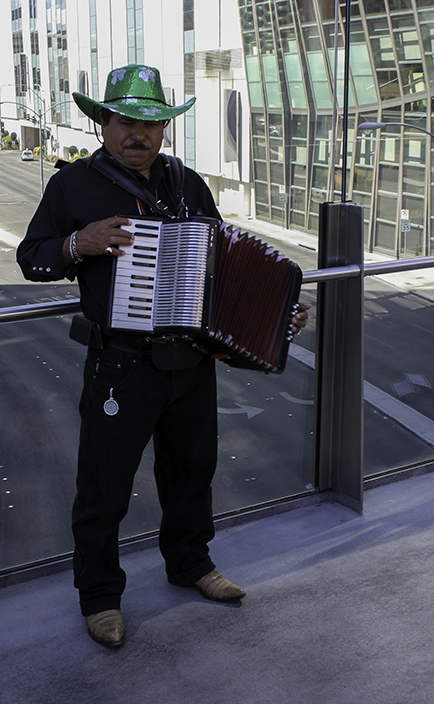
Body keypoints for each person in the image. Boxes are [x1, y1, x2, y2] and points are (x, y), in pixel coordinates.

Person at [17, 64, 308, 648]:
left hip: (191, 363)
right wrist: (81, 242)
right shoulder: (72, 186)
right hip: (120, 365)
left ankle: (191, 565)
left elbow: (219, 268)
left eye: (151, 123)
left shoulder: (188, 183)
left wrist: (275, 313)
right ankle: (100, 598)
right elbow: (32, 257)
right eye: (126, 120)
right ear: (103, 122)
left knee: (193, 472)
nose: (138, 134)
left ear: (165, 130)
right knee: (103, 486)